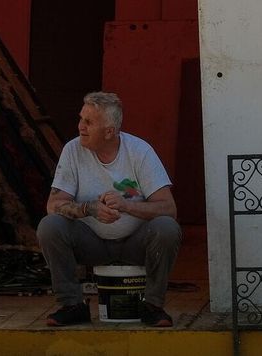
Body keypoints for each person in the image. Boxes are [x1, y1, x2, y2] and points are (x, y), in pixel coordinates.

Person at [37, 91, 181, 328]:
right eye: (81, 118)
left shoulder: (140, 151)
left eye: (89, 122)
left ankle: (153, 306)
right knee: (49, 226)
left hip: (135, 243)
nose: (80, 126)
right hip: (91, 243)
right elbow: (53, 205)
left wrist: (127, 206)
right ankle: (71, 305)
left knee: (166, 227)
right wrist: (89, 208)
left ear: (109, 132)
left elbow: (168, 208)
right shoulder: (72, 150)